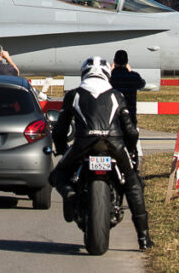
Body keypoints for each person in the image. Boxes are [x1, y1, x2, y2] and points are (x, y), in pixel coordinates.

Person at [48, 56, 153, 251]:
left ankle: (70, 193)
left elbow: (59, 130)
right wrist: (130, 151)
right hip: (114, 144)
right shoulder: (116, 95)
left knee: (57, 174)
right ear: (107, 74)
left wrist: (62, 150)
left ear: (83, 73)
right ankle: (143, 237)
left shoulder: (74, 95)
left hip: (83, 144)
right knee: (132, 183)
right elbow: (131, 131)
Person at [110, 49, 146, 170]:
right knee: (131, 149)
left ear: (114, 62)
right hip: (130, 120)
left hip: (111, 121)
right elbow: (142, 83)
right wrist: (130, 71)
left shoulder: (110, 77)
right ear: (127, 62)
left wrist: (110, 70)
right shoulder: (133, 77)